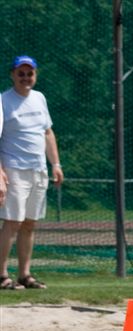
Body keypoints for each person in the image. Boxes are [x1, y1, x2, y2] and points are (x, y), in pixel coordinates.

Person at [0, 55, 64, 290]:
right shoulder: (3, 101)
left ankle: (24, 275)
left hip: (38, 169)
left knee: (29, 223)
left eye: (30, 73)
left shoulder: (39, 99)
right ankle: (1, 274)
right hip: (14, 168)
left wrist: (56, 164)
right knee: (12, 222)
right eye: (21, 73)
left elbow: (47, 133)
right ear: (12, 75)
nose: (26, 78)